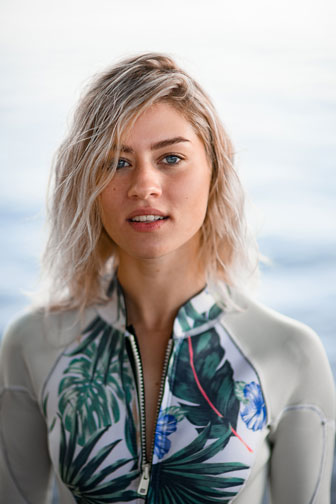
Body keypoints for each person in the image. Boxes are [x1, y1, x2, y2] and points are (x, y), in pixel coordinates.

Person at [0, 53, 335, 504]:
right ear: (88, 184)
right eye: (117, 162)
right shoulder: (33, 344)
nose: (144, 185)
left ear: (215, 169)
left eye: (171, 157)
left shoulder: (289, 354)